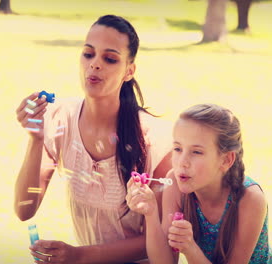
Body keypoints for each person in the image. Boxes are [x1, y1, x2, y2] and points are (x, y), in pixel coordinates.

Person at [14, 14, 172, 263]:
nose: (95, 64)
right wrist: (35, 140)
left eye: (109, 59)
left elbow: (162, 241)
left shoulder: (155, 139)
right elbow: (25, 208)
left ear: (129, 71)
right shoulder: (59, 119)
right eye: (88, 54)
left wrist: (80, 255)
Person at [126, 104, 272, 264]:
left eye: (197, 152)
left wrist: (190, 248)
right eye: (178, 149)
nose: (182, 162)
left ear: (226, 160)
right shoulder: (175, 185)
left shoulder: (249, 198)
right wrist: (150, 214)